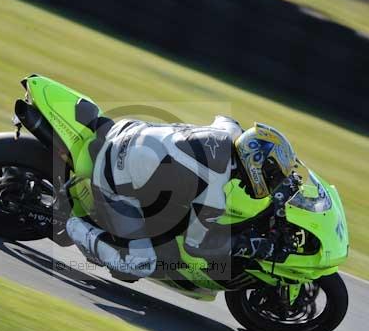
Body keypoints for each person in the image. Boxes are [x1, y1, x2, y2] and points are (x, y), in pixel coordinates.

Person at [66, 116, 297, 280]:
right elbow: (195, 246)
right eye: (273, 174)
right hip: (112, 178)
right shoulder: (214, 191)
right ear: (256, 163)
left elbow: (225, 118)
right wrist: (251, 245)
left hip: (128, 132)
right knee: (140, 265)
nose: (274, 181)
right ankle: (76, 226)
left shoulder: (230, 131)